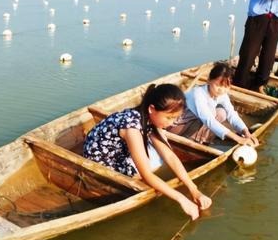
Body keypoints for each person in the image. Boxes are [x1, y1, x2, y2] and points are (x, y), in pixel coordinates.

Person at [83, 83, 212, 220]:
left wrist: (194, 190)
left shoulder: (148, 118)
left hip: (117, 153)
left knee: (160, 156)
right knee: (144, 171)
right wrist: (182, 199)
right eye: (169, 117)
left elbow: (170, 156)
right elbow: (146, 174)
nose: (172, 123)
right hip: (100, 161)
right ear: (152, 109)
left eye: (176, 118)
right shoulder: (131, 126)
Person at [168, 62, 259, 147]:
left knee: (221, 113)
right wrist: (237, 138)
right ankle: (194, 141)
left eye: (226, 87)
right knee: (211, 113)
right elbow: (208, 120)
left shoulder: (222, 94)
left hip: (191, 124)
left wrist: (246, 132)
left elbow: (232, 114)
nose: (221, 90)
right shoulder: (198, 93)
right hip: (175, 127)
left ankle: (202, 139)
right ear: (208, 81)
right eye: (218, 85)